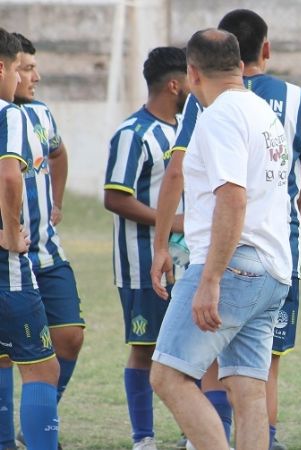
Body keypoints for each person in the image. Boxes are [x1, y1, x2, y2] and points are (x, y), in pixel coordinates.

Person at [149, 28, 292, 450]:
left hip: (233, 264)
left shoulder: (218, 117)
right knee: (248, 391)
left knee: (167, 376)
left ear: (192, 73)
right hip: (272, 268)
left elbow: (232, 198)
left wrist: (210, 278)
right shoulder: (263, 113)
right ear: (240, 65)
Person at [0, 32, 85, 449]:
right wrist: (10, 231)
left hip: (45, 253)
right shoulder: (10, 116)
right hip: (11, 260)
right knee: (37, 367)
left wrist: (57, 204)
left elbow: (58, 154)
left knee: (68, 338)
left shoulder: (39, 115)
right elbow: (9, 176)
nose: (30, 77)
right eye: (23, 68)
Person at [103, 46, 188, 450]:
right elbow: (115, 197)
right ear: (174, 84)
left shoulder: (185, 129)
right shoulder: (133, 134)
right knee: (145, 348)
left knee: (190, 348)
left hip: (186, 262)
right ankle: (144, 438)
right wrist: (170, 221)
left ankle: (193, 433)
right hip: (141, 261)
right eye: (190, 78)